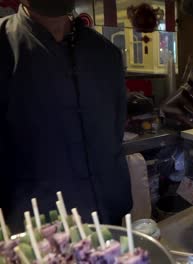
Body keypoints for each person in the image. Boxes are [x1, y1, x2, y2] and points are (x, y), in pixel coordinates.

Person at [0, 0, 132, 232]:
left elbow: (114, 132)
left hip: (108, 219)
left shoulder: (106, 54)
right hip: (38, 232)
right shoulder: (3, 47)